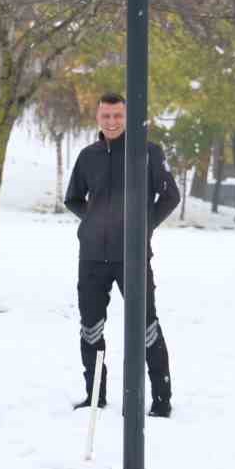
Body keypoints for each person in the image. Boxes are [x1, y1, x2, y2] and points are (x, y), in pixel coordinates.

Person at [64, 92, 181, 416]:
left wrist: (143, 226)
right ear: (98, 118)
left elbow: (171, 196)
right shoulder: (88, 156)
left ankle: (161, 401)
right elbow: (72, 198)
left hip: (131, 257)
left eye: (117, 116)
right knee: (91, 326)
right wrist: (93, 221)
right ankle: (95, 396)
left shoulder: (147, 152)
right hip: (91, 257)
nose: (112, 122)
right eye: (106, 116)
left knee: (147, 326)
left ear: (127, 117)